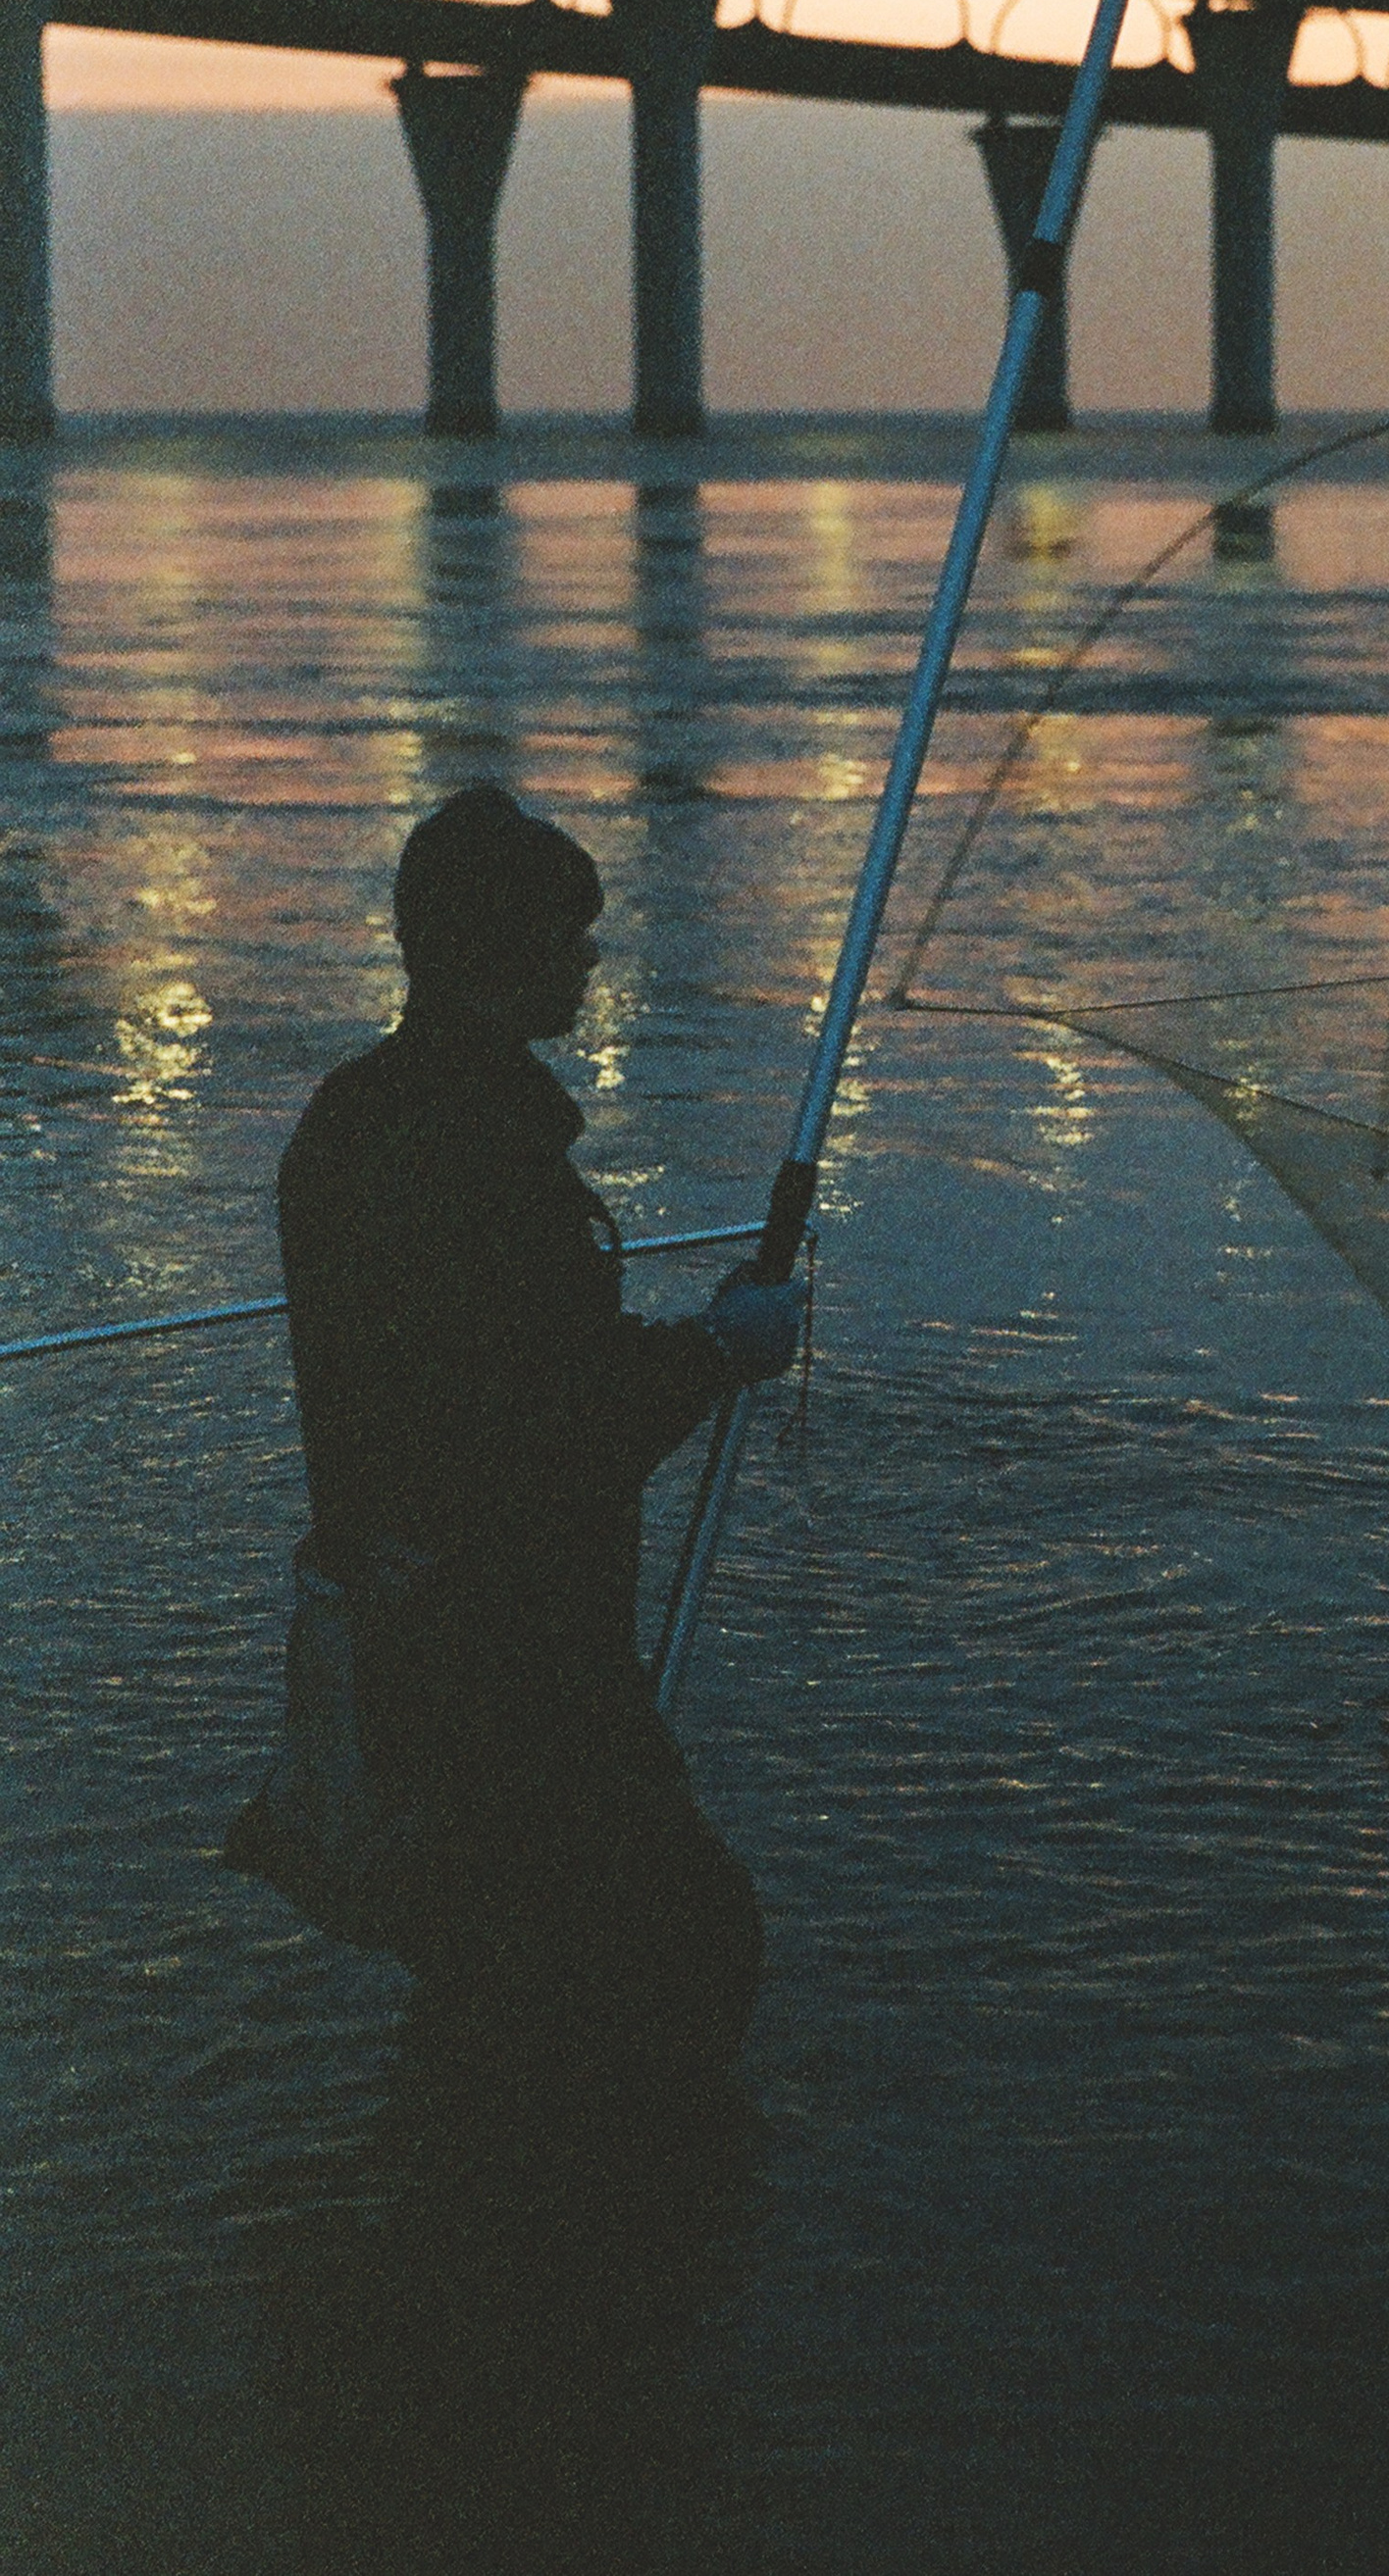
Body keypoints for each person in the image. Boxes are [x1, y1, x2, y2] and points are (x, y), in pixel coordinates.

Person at [229, 781, 803, 2075]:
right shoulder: (475, 1151)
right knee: (687, 1940)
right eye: (564, 931)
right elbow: (553, 1425)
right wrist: (721, 1349)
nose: (590, 957)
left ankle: (472, 2220)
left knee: (496, 1970)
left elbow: (481, 1374)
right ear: (491, 949)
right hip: (517, 1650)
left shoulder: (352, 1117)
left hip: (402, 1638)